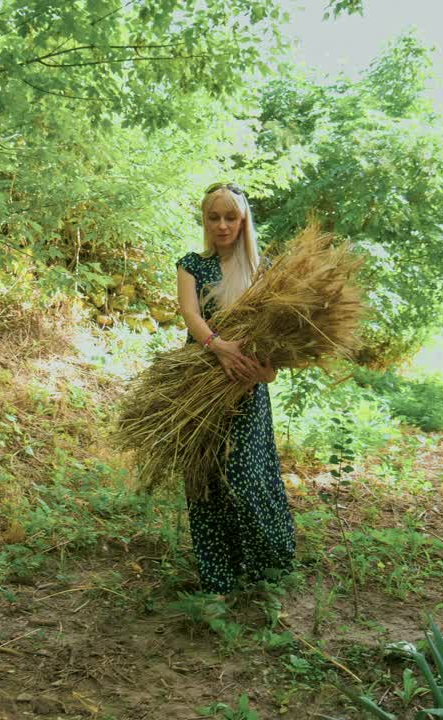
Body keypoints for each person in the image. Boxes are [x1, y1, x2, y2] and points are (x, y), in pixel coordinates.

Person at [173, 182, 296, 594]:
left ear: (243, 221)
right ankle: (218, 576)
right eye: (214, 217)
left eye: (231, 217)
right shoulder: (192, 264)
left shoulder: (264, 272)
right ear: (205, 221)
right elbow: (190, 313)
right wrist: (217, 346)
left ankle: (267, 568)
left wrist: (268, 370)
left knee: (247, 479)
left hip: (244, 388)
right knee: (204, 479)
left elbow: (277, 338)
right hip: (198, 382)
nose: (222, 225)